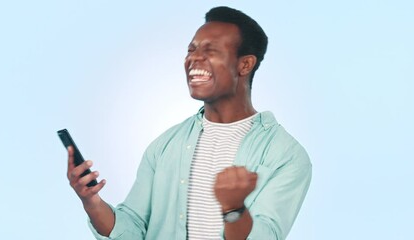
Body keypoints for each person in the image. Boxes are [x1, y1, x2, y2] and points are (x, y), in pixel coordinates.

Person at [67, 6, 312, 240]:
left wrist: (235, 209)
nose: (194, 58)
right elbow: (133, 227)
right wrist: (91, 201)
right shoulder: (165, 146)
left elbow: (267, 234)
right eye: (191, 49)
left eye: (211, 50)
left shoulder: (286, 155)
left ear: (244, 64)